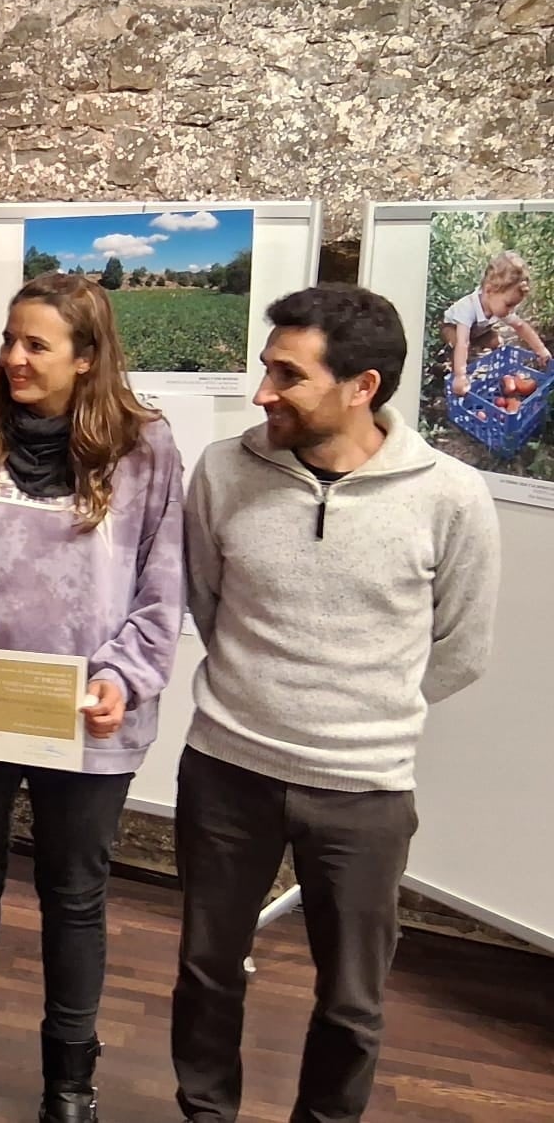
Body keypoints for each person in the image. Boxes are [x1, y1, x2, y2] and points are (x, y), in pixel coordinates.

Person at [172, 285, 499, 1123]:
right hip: (226, 770)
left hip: (365, 788)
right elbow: (207, 604)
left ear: (364, 386)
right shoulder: (223, 470)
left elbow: (459, 647)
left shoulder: (450, 496)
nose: (261, 393)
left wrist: (363, 709)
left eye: (288, 374)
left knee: (352, 1001)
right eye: (265, 368)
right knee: (208, 973)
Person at [0, 273, 187, 1123]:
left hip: (88, 717)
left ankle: (69, 1090)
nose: (13, 357)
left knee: (75, 895)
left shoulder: (146, 451)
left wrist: (121, 677)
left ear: (87, 359)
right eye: (10, 339)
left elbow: (163, 591)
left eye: (36, 344)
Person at [443, 249, 550, 396]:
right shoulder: (467, 308)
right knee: (459, 346)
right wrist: (460, 375)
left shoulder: (497, 304)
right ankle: (456, 373)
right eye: (508, 304)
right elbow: (463, 342)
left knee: (496, 341)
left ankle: (490, 366)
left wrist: (540, 349)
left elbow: (520, 326)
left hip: (478, 330)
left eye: (514, 306)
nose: (510, 310)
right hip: (453, 327)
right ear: (488, 290)